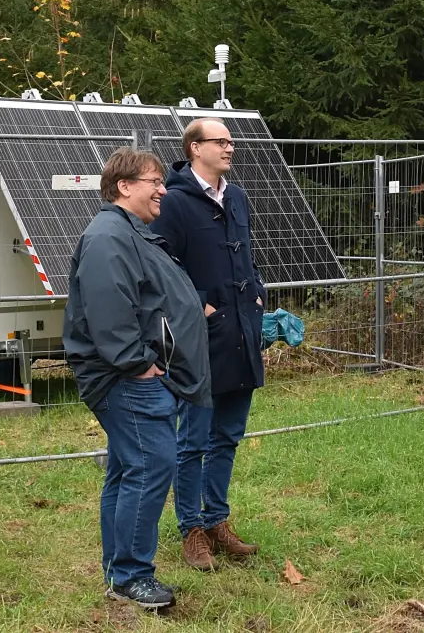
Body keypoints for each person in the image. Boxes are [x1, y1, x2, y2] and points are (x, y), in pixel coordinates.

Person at [62, 147, 211, 610]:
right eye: (154, 182)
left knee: (130, 469)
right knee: (150, 466)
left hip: (132, 375)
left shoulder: (128, 232)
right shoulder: (109, 236)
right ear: (124, 186)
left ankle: (119, 572)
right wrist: (140, 365)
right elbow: (110, 312)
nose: (163, 190)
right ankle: (130, 576)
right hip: (127, 379)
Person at [150, 117, 267, 572]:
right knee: (193, 439)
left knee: (228, 435)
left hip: (242, 333)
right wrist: (200, 307)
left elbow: (247, 254)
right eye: (220, 141)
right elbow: (162, 265)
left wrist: (257, 295)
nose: (230, 147)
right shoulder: (174, 202)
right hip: (199, 338)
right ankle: (192, 529)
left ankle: (217, 520)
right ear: (195, 148)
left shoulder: (236, 197)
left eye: (231, 141)